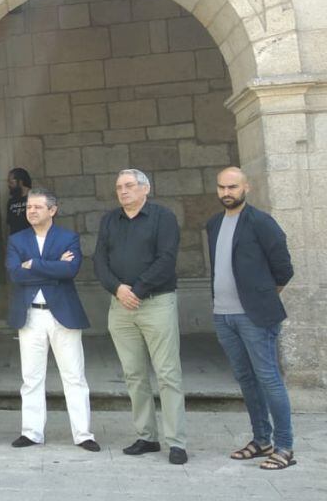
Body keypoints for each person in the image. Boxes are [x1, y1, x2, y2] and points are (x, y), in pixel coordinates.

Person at [94, 169, 187, 465]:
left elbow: (167, 258)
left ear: (146, 188)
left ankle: (176, 442)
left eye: (130, 186)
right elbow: (99, 260)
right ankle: (147, 436)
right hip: (120, 305)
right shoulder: (109, 220)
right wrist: (118, 289)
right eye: (119, 187)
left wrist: (138, 289)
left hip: (156, 302)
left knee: (167, 374)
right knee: (134, 374)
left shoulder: (163, 217)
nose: (123, 191)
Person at [206, 167, 296, 470]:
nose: (226, 192)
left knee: (268, 379)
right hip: (223, 316)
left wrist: (261, 298)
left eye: (232, 187)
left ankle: (285, 447)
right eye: (221, 187)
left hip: (255, 317)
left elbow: (283, 269)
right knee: (245, 379)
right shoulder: (214, 223)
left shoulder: (261, 222)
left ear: (247, 187)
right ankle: (262, 440)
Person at [5, 189, 99, 452]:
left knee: (74, 376)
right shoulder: (17, 239)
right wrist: (51, 266)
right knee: (31, 377)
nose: (31, 211)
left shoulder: (68, 237)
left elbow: (70, 270)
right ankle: (32, 432)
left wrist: (32, 264)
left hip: (63, 314)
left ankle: (83, 434)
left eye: (37, 207)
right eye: (28, 207)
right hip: (30, 315)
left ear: (52, 210)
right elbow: (14, 275)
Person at [6, 168, 31, 235]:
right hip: (16, 241)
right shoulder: (11, 202)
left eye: (11, 182)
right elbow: (9, 225)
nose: (9, 185)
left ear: (20, 182)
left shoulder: (36, 199)